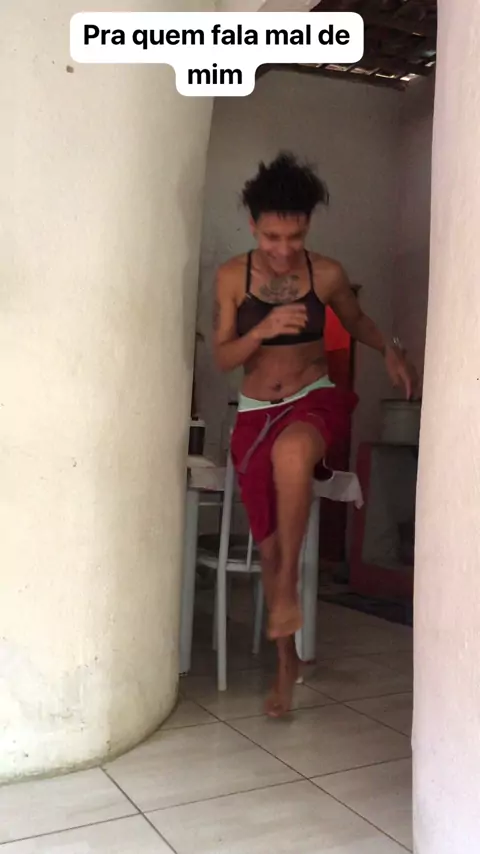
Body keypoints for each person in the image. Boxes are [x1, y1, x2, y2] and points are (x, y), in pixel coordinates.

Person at [212, 152, 415, 717]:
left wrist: (390, 349)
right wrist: (265, 329)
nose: (283, 249)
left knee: (294, 451)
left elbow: (356, 320)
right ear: (253, 225)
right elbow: (224, 357)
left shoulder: (325, 274)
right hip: (255, 411)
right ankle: (286, 664)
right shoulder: (231, 277)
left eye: (295, 236)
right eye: (271, 237)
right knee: (270, 546)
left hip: (313, 398)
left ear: (307, 228)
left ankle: (283, 595)